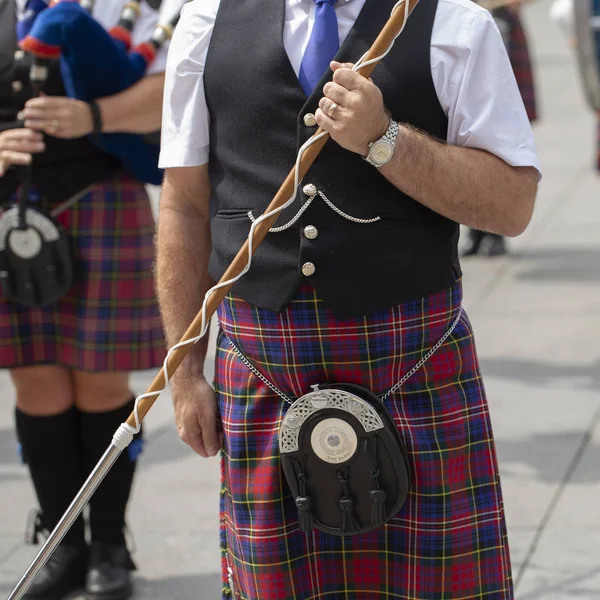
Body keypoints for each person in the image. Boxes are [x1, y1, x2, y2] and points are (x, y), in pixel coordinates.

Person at [157, 0, 540, 597]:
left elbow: (511, 205)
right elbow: (184, 201)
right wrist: (185, 372)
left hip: (414, 369)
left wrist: (383, 140)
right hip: (262, 376)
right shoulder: (206, 20)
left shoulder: (455, 24)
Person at [0, 0, 168, 598]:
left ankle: (109, 547)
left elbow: (175, 86)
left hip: (102, 198)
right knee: (37, 383)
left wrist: (93, 113)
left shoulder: (130, 5)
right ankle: (61, 546)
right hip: (11, 211)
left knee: (100, 383)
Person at [463, 0, 539, 257]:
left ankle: (495, 233)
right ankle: (475, 230)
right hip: (461, 29)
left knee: (497, 140)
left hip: (498, 27)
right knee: (464, 137)